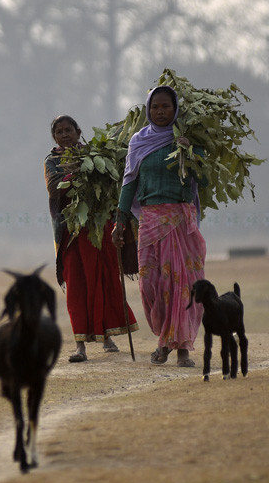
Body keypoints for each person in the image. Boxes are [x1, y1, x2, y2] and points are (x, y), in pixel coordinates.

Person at [113, 85, 206, 367]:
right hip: (150, 221)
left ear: (175, 109)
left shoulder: (188, 142)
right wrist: (119, 223)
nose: (160, 112)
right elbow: (129, 183)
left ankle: (178, 348)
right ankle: (166, 337)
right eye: (155, 107)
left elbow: (203, 181)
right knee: (152, 285)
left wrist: (190, 154)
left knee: (180, 284)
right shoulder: (138, 142)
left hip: (180, 220)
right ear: (147, 110)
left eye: (166, 106)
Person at [45, 114, 138, 363]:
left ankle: (107, 335)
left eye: (68, 130)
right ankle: (80, 346)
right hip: (71, 232)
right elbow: (55, 188)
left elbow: (112, 183)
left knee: (105, 279)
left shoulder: (96, 155)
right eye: (59, 132)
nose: (64, 135)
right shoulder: (52, 161)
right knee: (76, 284)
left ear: (78, 131)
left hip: (98, 228)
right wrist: (73, 175)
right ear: (54, 137)